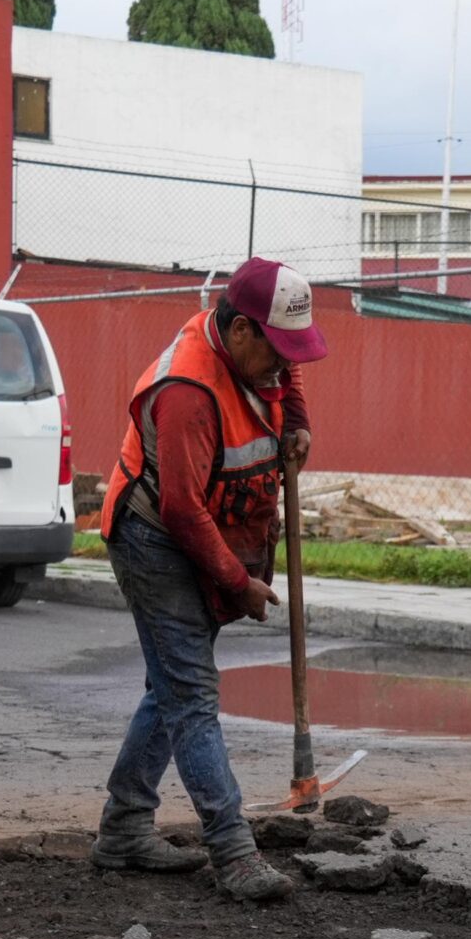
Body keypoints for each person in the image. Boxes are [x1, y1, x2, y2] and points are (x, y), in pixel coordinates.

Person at [95, 257, 321, 902]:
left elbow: (288, 370)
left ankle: (123, 829)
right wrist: (237, 582)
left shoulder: (258, 345)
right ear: (242, 331)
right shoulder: (186, 393)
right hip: (156, 538)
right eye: (277, 351)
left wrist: (297, 420)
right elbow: (181, 511)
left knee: (171, 684)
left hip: (212, 524)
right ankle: (233, 851)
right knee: (191, 693)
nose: (285, 364)